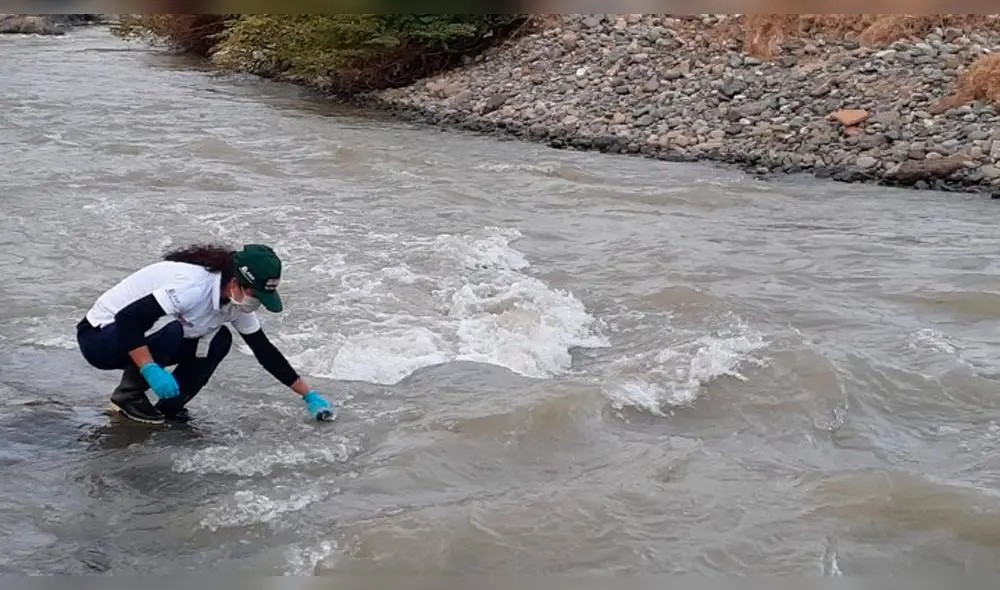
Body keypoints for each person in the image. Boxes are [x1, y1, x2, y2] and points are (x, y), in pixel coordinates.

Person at [75, 243, 335, 425]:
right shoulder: (192, 287)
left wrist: (307, 395)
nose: (257, 303)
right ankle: (129, 396)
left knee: (220, 339)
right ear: (235, 283)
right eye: (256, 295)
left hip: (141, 337)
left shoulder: (235, 303)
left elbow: (264, 351)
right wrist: (150, 369)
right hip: (100, 338)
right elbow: (128, 318)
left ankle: (170, 407)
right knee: (173, 327)